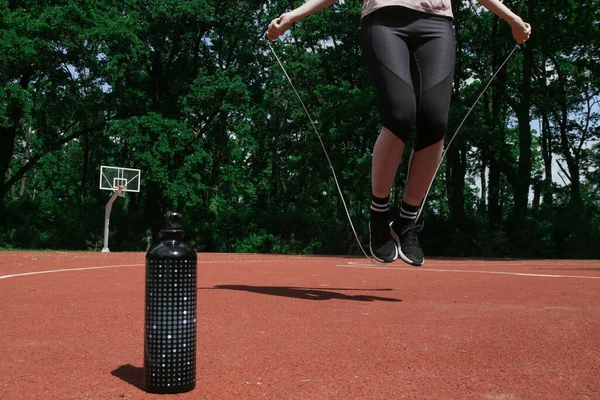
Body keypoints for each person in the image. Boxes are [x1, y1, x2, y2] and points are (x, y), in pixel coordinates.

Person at [267, 0, 531, 265]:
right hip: (384, 19)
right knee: (401, 112)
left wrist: (512, 18)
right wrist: (292, 16)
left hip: (436, 23)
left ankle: (407, 220)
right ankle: (378, 214)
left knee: (435, 119)